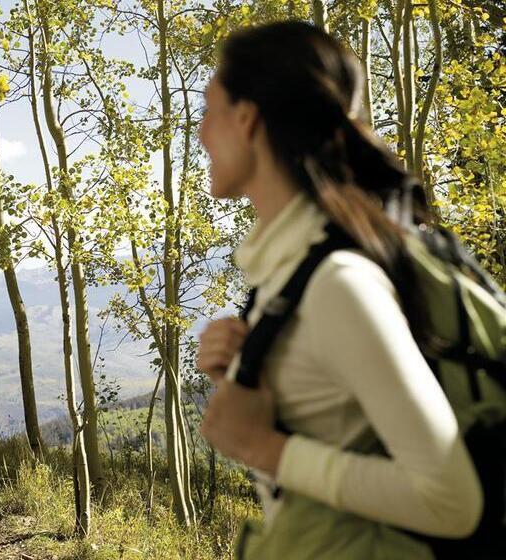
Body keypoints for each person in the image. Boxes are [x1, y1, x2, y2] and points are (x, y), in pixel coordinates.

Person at [195, 21, 484, 558]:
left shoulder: (338, 284)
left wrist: (266, 447)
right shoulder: (293, 271)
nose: (201, 133)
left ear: (247, 118)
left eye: (209, 110)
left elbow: (451, 499)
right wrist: (250, 362)